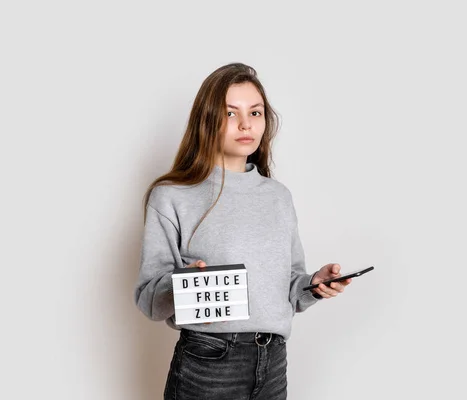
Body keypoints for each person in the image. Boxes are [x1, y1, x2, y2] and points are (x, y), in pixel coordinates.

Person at [134, 62, 352, 400]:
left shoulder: (278, 196)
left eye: (256, 112)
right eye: (231, 113)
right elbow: (150, 299)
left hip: (273, 362)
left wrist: (314, 285)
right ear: (206, 120)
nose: (247, 124)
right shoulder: (173, 195)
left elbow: (289, 288)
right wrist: (188, 283)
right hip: (209, 362)